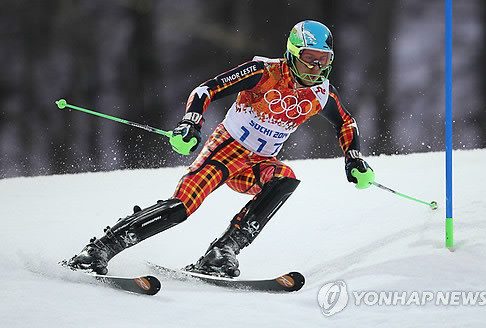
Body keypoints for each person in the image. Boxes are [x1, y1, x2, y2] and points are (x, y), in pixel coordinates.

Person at [66, 20, 375, 278]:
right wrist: (190, 124)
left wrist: (354, 159)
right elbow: (206, 89)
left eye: (323, 59)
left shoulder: (322, 93)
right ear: (293, 53)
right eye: (310, 56)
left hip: (258, 163)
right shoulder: (262, 71)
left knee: (286, 178)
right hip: (225, 151)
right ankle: (100, 248)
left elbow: (346, 123)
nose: (315, 66)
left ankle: (222, 251)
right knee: (181, 208)